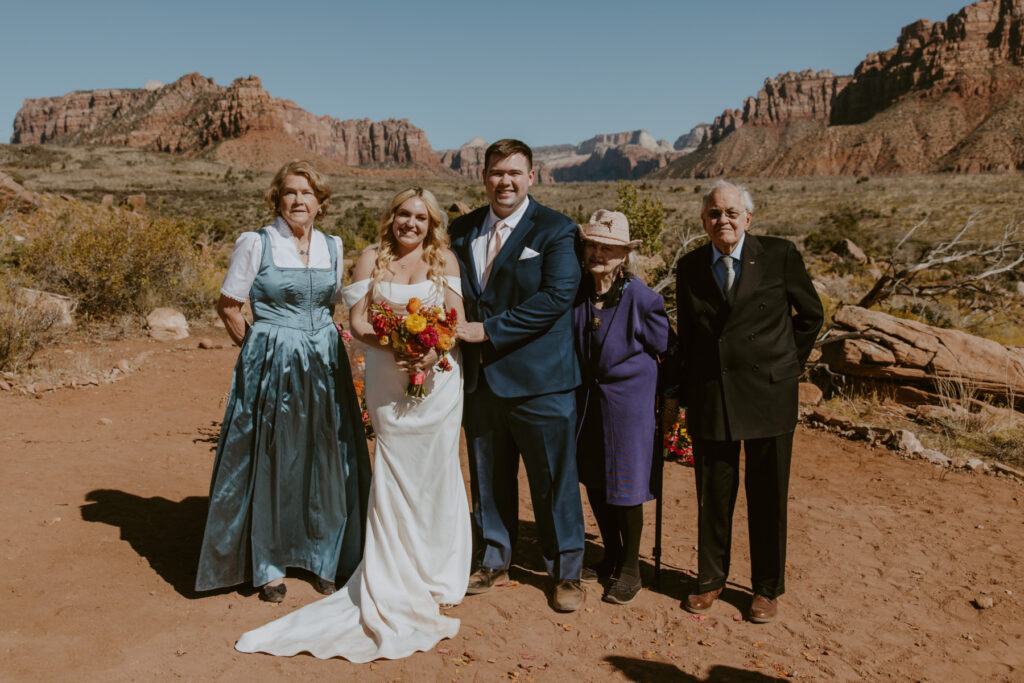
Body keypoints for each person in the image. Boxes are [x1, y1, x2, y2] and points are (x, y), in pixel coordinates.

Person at [235, 187, 471, 661]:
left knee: (437, 468)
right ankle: (392, 566)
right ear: (391, 217)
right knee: (395, 468)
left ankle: (438, 573)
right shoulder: (370, 259)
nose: (410, 224)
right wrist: (396, 347)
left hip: (439, 379)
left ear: (431, 224)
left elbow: (456, 319)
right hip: (388, 376)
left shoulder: (444, 259)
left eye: (420, 218)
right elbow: (359, 323)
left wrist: (431, 347)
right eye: (403, 214)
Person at [195, 160, 371, 603]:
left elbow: (333, 307)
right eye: (291, 192)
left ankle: (323, 556)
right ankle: (267, 563)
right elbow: (229, 306)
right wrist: (256, 351)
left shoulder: (334, 244)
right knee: (273, 457)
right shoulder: (256, 243)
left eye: (308, 193)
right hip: (273, 360)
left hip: (325, 361)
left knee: (325, 454)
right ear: (277, 198)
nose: (299, 200)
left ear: (321, 202)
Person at [670, 179, 823, 623]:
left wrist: (786, 364)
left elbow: (811, 314)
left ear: (748, 218)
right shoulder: (690, 266)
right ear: (703, 221)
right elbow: (689, 339)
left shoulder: (779, 255)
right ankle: (710, 579)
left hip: (768, 396)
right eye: (715, 214)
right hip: (712, 396)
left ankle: (766, 588)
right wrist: (677, 392)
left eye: (732, 213)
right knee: (713, 495)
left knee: (768, 495)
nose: (724, 221)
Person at [451, 139, 586, 613]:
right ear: (483, 176)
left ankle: (566, 570)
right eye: (495, 172)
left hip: (541, 381)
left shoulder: (556, 229)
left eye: (514, 172)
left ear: (533, 176)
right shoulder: (460, 230)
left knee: (553, 480)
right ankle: (494, 558)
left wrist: (487, 331)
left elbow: (556, 298)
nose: (504, 181)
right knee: (488, 477)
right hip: (480, 381)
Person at [573, 210, 670, 605]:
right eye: (593, 245)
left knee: (626, 485)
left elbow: (667, 349)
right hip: (587, 401)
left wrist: (669, 400)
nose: (598, 254)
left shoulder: (643, 299)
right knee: (595, 477)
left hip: (628, 406)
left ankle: (631, 567)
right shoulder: (577, 291)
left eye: (608, 248)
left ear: (624, 255)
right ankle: (610, 552)